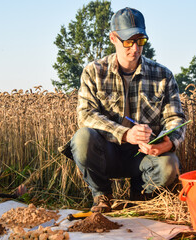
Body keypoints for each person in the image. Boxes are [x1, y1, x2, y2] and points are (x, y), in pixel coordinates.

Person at [59, 7, 187, 213]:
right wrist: (125, 134)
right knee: (82, 139)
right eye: (128, 41)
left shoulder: (163, 75)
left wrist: (169, 142)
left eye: (140, 41)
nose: (135, 48)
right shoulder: (93, 72)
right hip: (107, 152)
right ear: (113, 38)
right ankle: (102, 196)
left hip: (143, 156)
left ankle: (140, 195)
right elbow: (85, 116)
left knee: (169, 164)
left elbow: (175, 117)